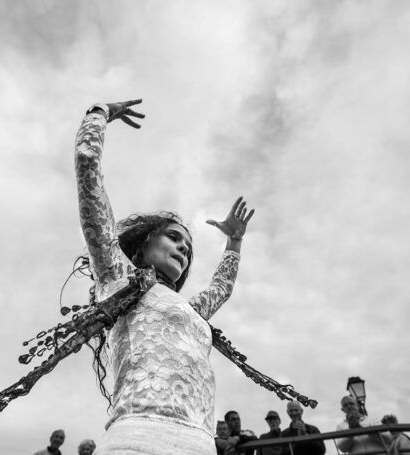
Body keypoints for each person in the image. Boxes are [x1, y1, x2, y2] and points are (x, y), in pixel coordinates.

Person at [74, 98, 255, 455]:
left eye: (188, 247)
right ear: (142, 245)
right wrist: (99, 114)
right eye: (174, 237)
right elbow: (86, 163)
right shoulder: (119, 280)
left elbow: (222, 287)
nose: (184, 249)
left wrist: (234, 241)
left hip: (201, 444)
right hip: (137, 441)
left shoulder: (191, 311)